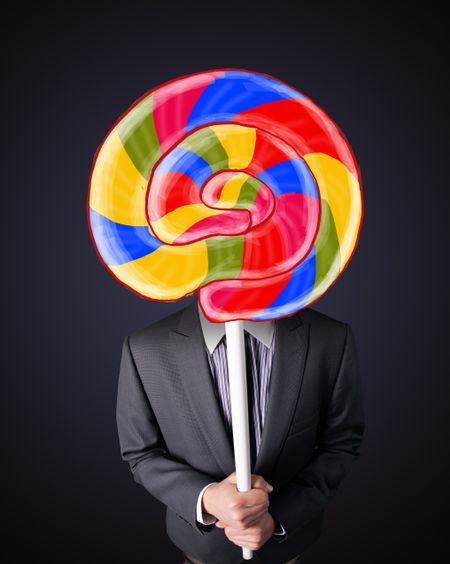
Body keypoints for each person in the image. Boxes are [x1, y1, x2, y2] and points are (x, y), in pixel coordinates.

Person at [116, 299, 364, 564]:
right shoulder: (145, 348)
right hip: (202, 552)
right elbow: (141, 453)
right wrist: (207, 499)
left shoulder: (330, 338)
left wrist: (279, 517)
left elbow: (340, 443)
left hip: (289, 549)